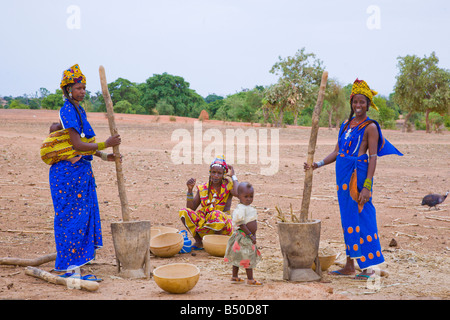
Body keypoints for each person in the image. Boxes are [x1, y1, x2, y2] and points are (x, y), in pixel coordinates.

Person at [304, 78, 402, 280]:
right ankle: (350, 265)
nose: (358, 106)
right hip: (343, 178)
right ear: (351, 103)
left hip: (359, 178)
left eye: (362, 102)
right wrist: (317, 164)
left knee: (364, 216)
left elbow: (373, 157)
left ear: (368, 104)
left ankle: (370, 268)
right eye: (355, 102)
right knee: (348, 219)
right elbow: (337, 151)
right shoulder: (345, 125)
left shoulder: (371, 127)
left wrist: (367, 187)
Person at [49, 64, 122, 279]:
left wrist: (103, 155)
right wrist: (105, 144)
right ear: (68, 89)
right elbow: (77, 144)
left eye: (84, 88)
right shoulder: (67, 110)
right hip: (67, 175)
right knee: (70, 219)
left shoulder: (79, 110)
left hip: (80, 173)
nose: (82, 91)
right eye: (79, 88)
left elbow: (85, 142)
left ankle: (75, 266)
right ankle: (68, 269)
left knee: (81, 218)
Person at [179, 155, 239, 249]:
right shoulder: (203, 188)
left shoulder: (228, 185)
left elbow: (237, 193)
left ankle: (216, 243)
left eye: (219, 173)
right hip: (206, 225)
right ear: (210, 172)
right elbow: (191, 209)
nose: (216, 176)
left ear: (224, 174)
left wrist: (233, 176)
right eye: (214, 172)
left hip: (223, 227)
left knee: (216, 214)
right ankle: (199, 241)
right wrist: (190, 190)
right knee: (184, 212)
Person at [224, 182, 262, 286]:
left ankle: (234, 276)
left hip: (247, 236)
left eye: (251, 196)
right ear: (239, 196)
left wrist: (253, 235)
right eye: (246, 196)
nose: (249, 199)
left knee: (238, 256)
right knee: (247, 257)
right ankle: (250, 279)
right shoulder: (240, 209)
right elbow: (241, 224)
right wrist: (250, 235)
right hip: (243, 237)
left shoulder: (248, 207)